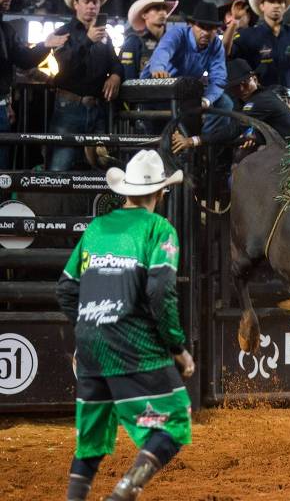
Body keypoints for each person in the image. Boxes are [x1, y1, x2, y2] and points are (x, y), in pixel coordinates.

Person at [56, 149, 195, 501]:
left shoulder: (97, 227)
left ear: (126, 190)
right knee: (176, 418)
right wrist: (176, 347)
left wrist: (89, 324)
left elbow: (67, 288)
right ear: (161, 193)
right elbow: (160, 290)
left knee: (91, 438)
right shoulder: (158, 229)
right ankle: (122, 493)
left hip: (90, 344)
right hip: (133, 342)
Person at [170, 58, 290, 154]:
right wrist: (254, 137)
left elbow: (234, 129)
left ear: (254, 79)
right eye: (237, 85)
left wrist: (194, 140)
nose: (242, 87)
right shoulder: (259, 98)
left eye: (245, 82)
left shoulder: (258, 101)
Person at [50, 0, 122, 171]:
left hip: (96, 109)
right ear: (76, 3)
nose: (91, 6)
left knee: (99, 169)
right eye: (86, 1)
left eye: (95, 2)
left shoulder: (104, 36)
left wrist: (116, 75)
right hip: (69, 107)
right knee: (60, 167)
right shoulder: (63, 32)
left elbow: (116, 63)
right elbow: (65, 65)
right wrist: (87, 41)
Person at [0, 0, 68, 169]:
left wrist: (46, 45)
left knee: (3, 170)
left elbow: (24, 60)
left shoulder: (5, 30)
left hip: (1, 108)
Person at [142, 1, 232, 136]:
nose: (206, 32)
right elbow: (163, 50)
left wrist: (207, 99)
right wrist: (159, 68)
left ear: (216, 30)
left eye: (211, 28)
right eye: (201, 26)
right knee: (160, 135)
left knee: (225, 103)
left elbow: (219, 78)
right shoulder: (177, 34)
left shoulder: (216, 45)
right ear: (191, 25)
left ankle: (205, 145)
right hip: (156, 88)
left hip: (184, 91)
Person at [120, 0, 178, 80]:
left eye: (164, 8)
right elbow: (128, 80)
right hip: (141, 93)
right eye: (157, 9)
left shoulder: (174, 41)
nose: (162, 12)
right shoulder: (133, 42)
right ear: (144, 15)